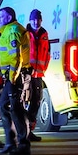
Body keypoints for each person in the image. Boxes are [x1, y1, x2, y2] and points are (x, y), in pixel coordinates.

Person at [0, 7, 31, 155]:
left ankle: (23, 145)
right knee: (5, 107)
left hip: (15, 76)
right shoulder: (7, 30)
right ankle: (11, 142)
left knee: (15, 110)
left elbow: (16, 57)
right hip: (11, 76)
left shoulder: (13, 31)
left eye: (1, 17)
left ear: (9, 17)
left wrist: (12, 78)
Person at [24, 9, 50, 142]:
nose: (36, 21)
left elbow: (47, 54)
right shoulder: (25, 33)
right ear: (30, 20)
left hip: (38, 74)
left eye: (38, 19)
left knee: (36, 102)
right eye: (33, 19)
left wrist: (43, 68)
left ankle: (30, 130)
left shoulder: (44, 34)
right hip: (26, 74)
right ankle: (24, 131)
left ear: (41, 20)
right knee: (24, 101)